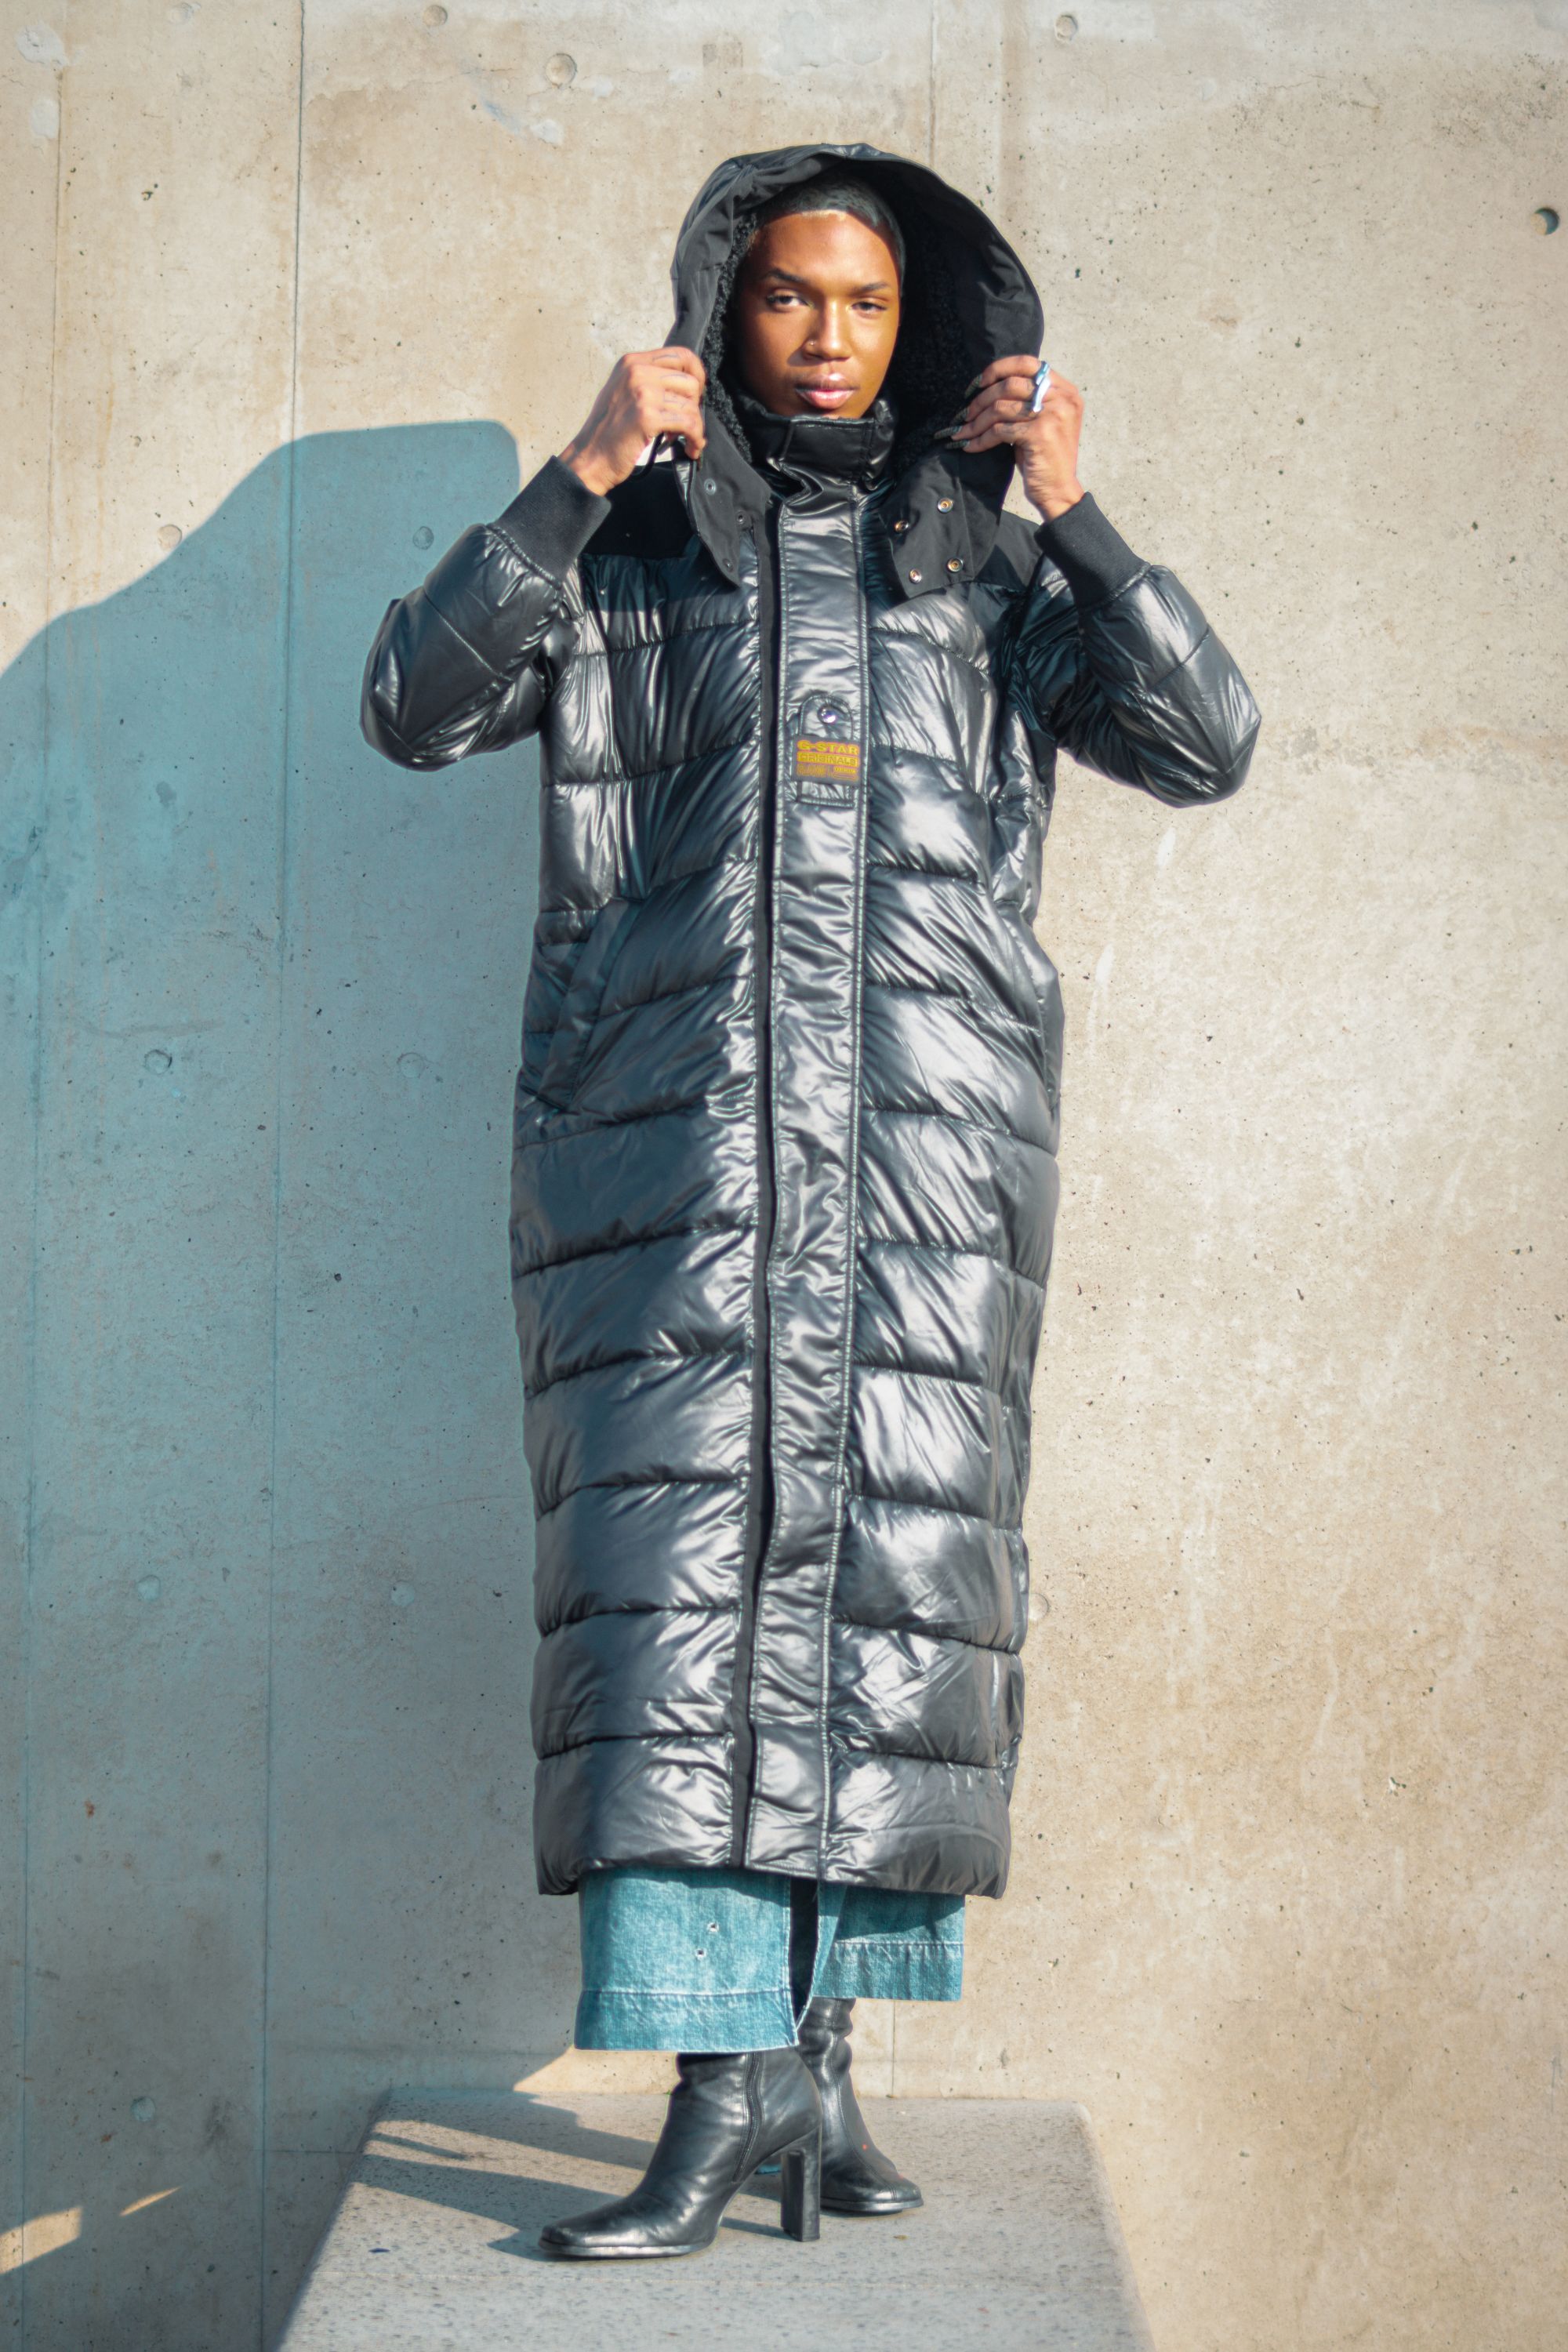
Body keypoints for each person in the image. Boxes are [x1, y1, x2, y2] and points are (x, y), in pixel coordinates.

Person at [361, 141, 1260, 2261]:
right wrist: (577, 475)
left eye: (864, 303)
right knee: (682, 1606)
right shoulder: (636, 548)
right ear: (723, 308)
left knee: (887, 1601)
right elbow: (415, 707)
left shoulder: (988, 570)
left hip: (927, 1162)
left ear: (921, 325)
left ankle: (817, 2070)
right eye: (787, 295)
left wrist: (1076, 511)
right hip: (669, 1162)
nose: (827, 336)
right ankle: (726, 2080)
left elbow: (1207, 740)